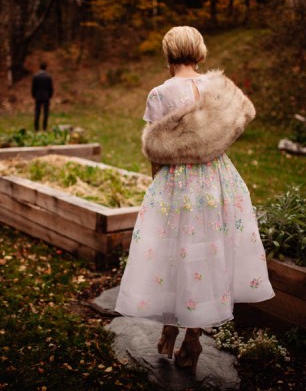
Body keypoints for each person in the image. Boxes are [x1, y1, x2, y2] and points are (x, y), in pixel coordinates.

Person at [115, 26, 275, 376]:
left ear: (167, 53)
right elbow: (233, 127)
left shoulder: (159, 94)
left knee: (174, 252)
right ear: (199, 51)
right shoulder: (220, 89)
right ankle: (191, 335)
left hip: (176, 182)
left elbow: (156, 151)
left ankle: (170, 326)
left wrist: (157, 185)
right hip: (219, 180)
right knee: (207, 252)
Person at [31, 62, 54, 132]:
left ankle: (36, 128)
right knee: (45, 113)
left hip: (38, 96)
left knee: (37, 112)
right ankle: (44, 127)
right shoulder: (48, 77)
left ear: (39, 67)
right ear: (45, 68)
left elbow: (33, 87)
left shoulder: (36, 76)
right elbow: (51, 88)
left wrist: (34, 95)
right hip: (46, 96)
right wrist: (50, 95)